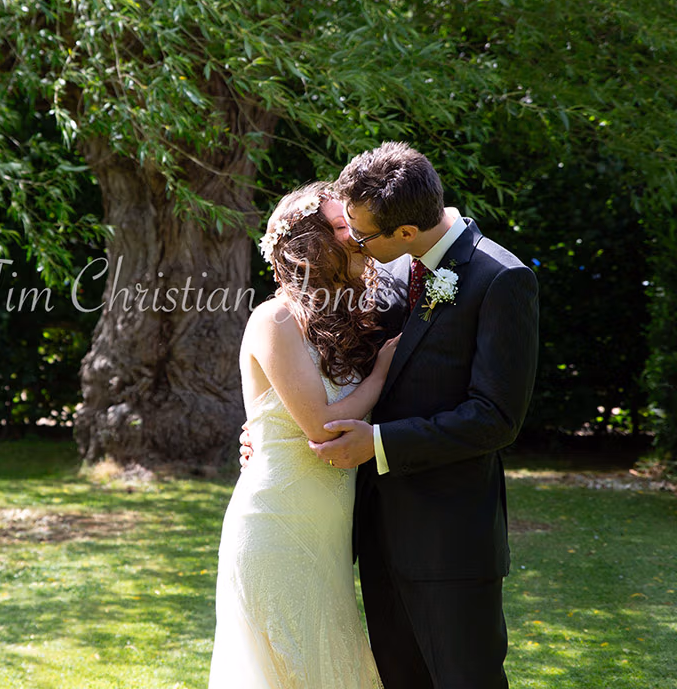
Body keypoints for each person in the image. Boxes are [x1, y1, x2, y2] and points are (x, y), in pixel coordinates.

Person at [305, 142, 541, 688]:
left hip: (451, 539)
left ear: (406, 232)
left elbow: (495, 417)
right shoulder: (387, 271)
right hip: (378, 532)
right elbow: (346, 369)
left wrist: (379, 444)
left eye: (362, 237)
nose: (356, 246)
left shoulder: (500, 279)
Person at [209, 183, 398, 689]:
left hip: (328, 530)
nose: (355, 237)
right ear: (312, 245)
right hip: (278, 524)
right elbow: (322, 426)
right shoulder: (275, 320)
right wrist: (380, 376)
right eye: (340, 228)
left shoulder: (341, 319)